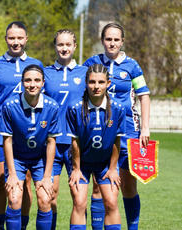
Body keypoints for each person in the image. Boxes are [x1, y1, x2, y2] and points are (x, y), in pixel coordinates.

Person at [83, 22, 150, 230]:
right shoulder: (91, 62)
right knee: (98, 184)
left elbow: (144, 96)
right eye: (108, 39)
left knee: (128, 184)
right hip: (99, 132)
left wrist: (145, 128)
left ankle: (133, 227)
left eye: (116, 39)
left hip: (129, 131)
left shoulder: (132, 66)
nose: (112, 43)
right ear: (102, 40)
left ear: (122, 41)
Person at [0, 21, 44, 230]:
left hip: (27, 132)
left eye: (19, 38)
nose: (15, 42)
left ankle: (21, 226)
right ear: (6, 39)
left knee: (24, 182)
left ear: (26, 39)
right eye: (11, 38)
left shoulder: (36, 64)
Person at [0, 64, 61, 230]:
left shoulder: (52, 106)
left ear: (43, 83)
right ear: (22, 82)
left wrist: (48, 176)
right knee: (14, 197)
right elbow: (7, 140)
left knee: (45, 197)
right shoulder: (10, 106)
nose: (32, 84)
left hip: (40, 159)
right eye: (27, 80)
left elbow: (51, 142)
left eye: (36, 80)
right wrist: (12, 174)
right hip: (17, 159)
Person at [66, 64, 125, 230]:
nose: (96, 86)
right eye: (92, 82)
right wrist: (76, 169)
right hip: (81, 163)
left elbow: (116, 142)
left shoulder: (118, 108)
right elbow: (75, 142)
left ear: (108, 83)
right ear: (86, 83)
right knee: (79, 202)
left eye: (100, 82)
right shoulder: (75, 108)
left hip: (105, 163)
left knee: (112, 202)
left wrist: (113, 168)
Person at [42, 29, 87, 230]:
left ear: (75, 46)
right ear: (55, 46)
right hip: (50, 143)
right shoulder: (45, 73)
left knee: (79, 198)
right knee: (49, 195)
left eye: (68, 44)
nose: (64, 48)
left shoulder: (86, 73)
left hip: (77, 144)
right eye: (60, 44)